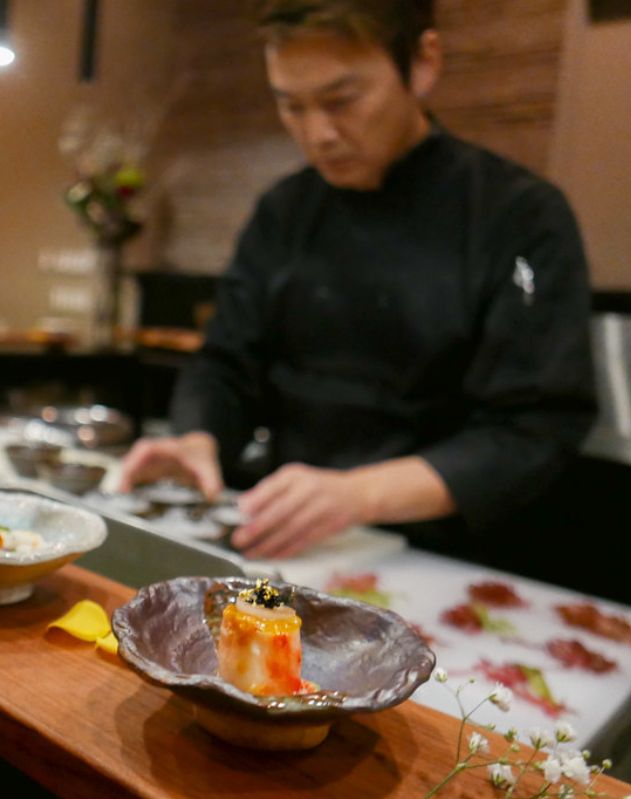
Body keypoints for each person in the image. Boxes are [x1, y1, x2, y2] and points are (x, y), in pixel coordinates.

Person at [118, 0, 596, 560]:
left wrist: (360, 494)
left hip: (445, 556)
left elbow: (532, 428)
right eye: (291, 106)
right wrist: (197, 438)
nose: (317, 133)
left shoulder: (518, 215)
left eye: (342, 100)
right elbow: (227, 362)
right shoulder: (286, 209)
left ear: (423, 63)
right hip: (287, 543)